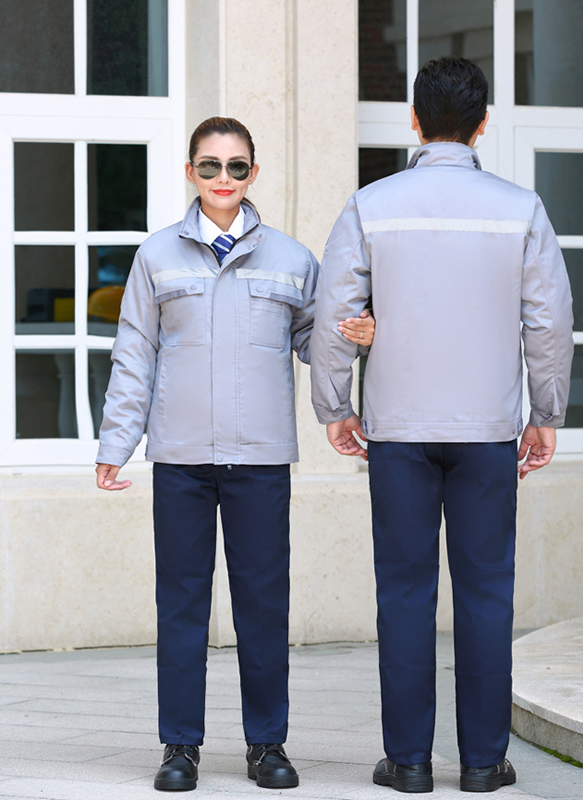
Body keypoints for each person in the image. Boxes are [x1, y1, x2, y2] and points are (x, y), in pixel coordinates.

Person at [310, 57, 574, 794]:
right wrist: (545, 413)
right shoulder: (520, 208)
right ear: (482, 123)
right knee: (487, 595)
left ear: (414, 121)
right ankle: (484, 763)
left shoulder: (370, 205)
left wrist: (335, 405)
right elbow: (549, 322)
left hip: (397, 431)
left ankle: (409, 762)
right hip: (487, 432)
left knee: (403, 594)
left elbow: (335, 314)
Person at [95, 116, 374, 793]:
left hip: (260, 460)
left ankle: (267, 744)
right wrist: (116, 442)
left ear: (253, 173)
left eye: (237, 166)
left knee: (262, 605)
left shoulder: (291, 259)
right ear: (190, 171)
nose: (224, 178)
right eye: (211, 165)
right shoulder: (156, 256)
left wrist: (356, 340)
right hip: (181, 458)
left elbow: (316, 344)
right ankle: (179, 747)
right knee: (181, 606)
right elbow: (135, 353)